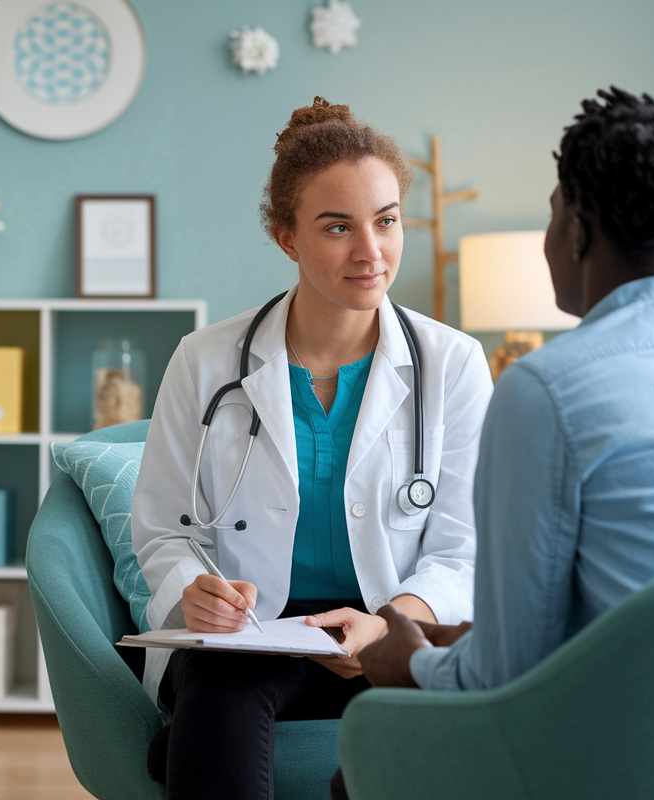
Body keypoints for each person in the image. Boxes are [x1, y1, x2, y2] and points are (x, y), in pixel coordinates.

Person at [357, 87, 654, 697]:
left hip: (630, 753)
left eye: (554, 213)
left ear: (578, 232)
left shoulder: (544, 389)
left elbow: (503, 676)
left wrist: (409, 663)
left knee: (373, 743)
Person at [130, 97, 494, 799]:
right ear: (286, 237)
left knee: (424, 705)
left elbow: (464, 548)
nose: (371, 252)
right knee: (224, 679)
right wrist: (193, 593)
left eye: (386, 222)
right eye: (337, 227)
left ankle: (193, 749)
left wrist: (391, 623)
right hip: (254, 633)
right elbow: (163, 530)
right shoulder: (204, 361)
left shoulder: (454, 364)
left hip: (392, 624)